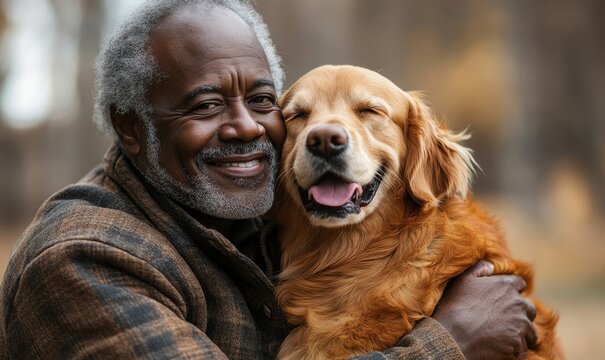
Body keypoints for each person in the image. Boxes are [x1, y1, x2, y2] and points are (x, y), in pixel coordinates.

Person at [0, 1, 537, 359]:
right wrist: (449, 342)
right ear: (130, 127)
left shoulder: (258, 207)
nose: (245, 127)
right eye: (206, 105)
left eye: (261, 101)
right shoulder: (82, 261)